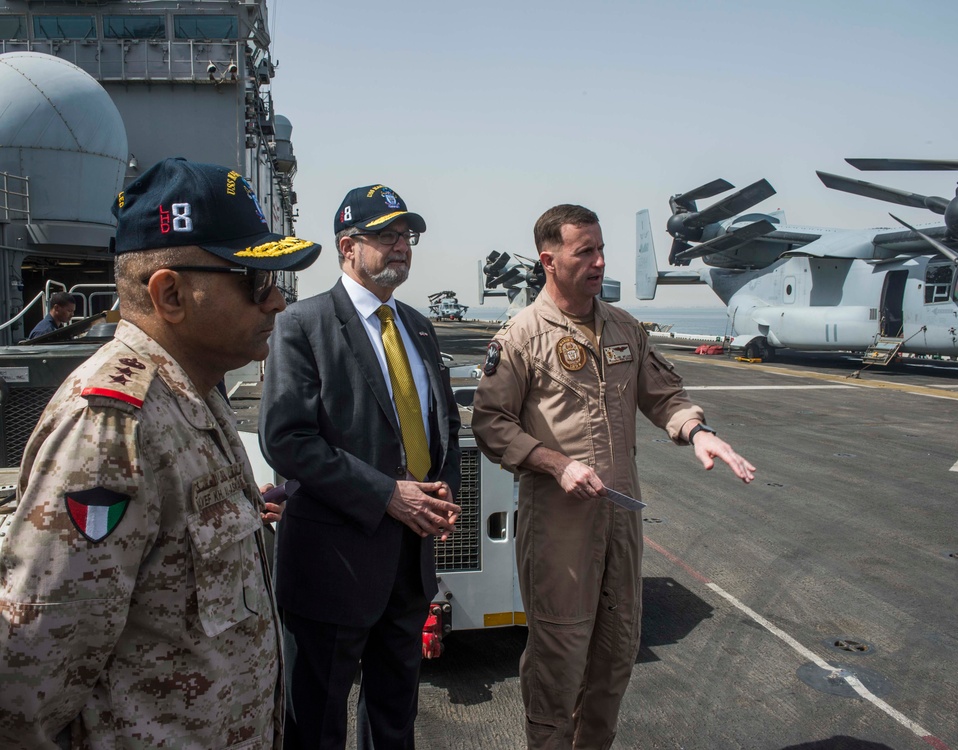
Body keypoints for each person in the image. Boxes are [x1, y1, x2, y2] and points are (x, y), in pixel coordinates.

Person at [0, 157, 321, 749]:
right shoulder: (111, 428)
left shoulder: (194, 392)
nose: (276, 303)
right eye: (256, 281)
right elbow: (30, 682)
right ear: (169, 293)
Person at [471, 204, 756, 749]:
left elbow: (664, 396)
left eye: (602, 249)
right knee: (559, 658)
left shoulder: (624, 328)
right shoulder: (521, 337)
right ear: (549, 260)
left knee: (615, 656)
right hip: (558, 525)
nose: (600, 262)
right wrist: (555, 463)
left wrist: (698, 432)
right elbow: (490, 423)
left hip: (620, 522)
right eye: (586, 252)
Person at [258, 183, 462, 750]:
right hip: (333, 566)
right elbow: (286, 439)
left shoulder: (418, 326)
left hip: (408, 564)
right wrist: (386, 494)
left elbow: (439, 423)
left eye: (408, 236)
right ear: (349, 246)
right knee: (316, 724)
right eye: (387, 236)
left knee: (395, 719)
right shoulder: (303, 323)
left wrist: (442, 490)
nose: (403, 246)